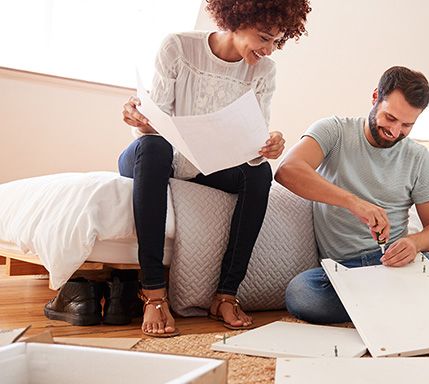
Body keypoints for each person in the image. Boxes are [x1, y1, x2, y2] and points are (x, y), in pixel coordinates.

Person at [119, 0, 311, 337]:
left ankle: (226, 293)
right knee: (153, 146)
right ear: (236, 19)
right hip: (155, 154)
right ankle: (152, 292)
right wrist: (139, 118)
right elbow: (156, 121)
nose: (268, 50)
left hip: (209, 164)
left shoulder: (264, 72)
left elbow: (254, 140)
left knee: (260, 174)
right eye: (263, 38)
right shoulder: (178, 46)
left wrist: (270, 144)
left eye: (276, 42)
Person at [275, 66, 429, 324]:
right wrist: (354, 203)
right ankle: (408, 302)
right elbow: (287, 171)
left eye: (407, 125)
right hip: (343, 269)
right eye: (390, 118)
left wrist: (414, 244)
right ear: (375, 96)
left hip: (397, 264)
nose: (395, 131)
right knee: (302, 295)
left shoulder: (417, 157)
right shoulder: (334, 131)